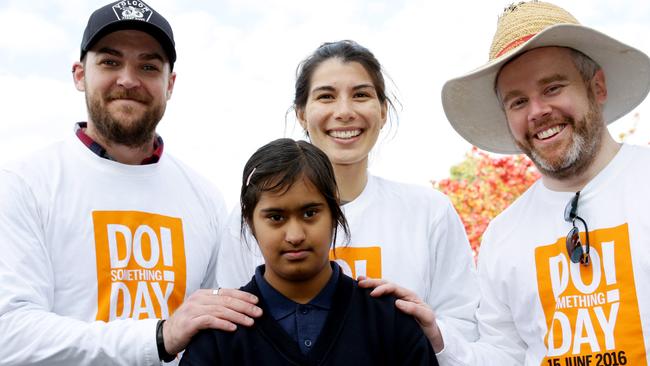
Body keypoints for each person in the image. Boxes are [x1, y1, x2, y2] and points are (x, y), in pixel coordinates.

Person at [370, 1, 650, 365]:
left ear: (596, 87)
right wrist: (439, 338)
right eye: (518, 101)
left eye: (552, 88)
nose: (537, 112)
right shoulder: (503, 235)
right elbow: (504, 355)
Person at [0, 1, 261, 365]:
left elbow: (229, 324)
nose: (128, 79)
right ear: (79, 75)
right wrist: (159, 336)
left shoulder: (205, 198)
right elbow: (9, 335)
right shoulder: (24, 184)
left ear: (169, 84)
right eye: (110, 62)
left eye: (148, 66)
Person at [216, 40, 479, 353]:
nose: (344, 112)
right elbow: (234, 323)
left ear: (382, 110)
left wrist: (427, 332)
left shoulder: (429, 211)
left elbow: (466, 330)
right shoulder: (248, 218)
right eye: (326, 96)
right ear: (301, 113)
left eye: (361, 95)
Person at [181, 138, 438, 365]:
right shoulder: (220, 331)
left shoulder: (389, 320)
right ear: (250, 222)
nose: (295, 236)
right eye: (276, 217)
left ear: (335, 214)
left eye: (310, 213)